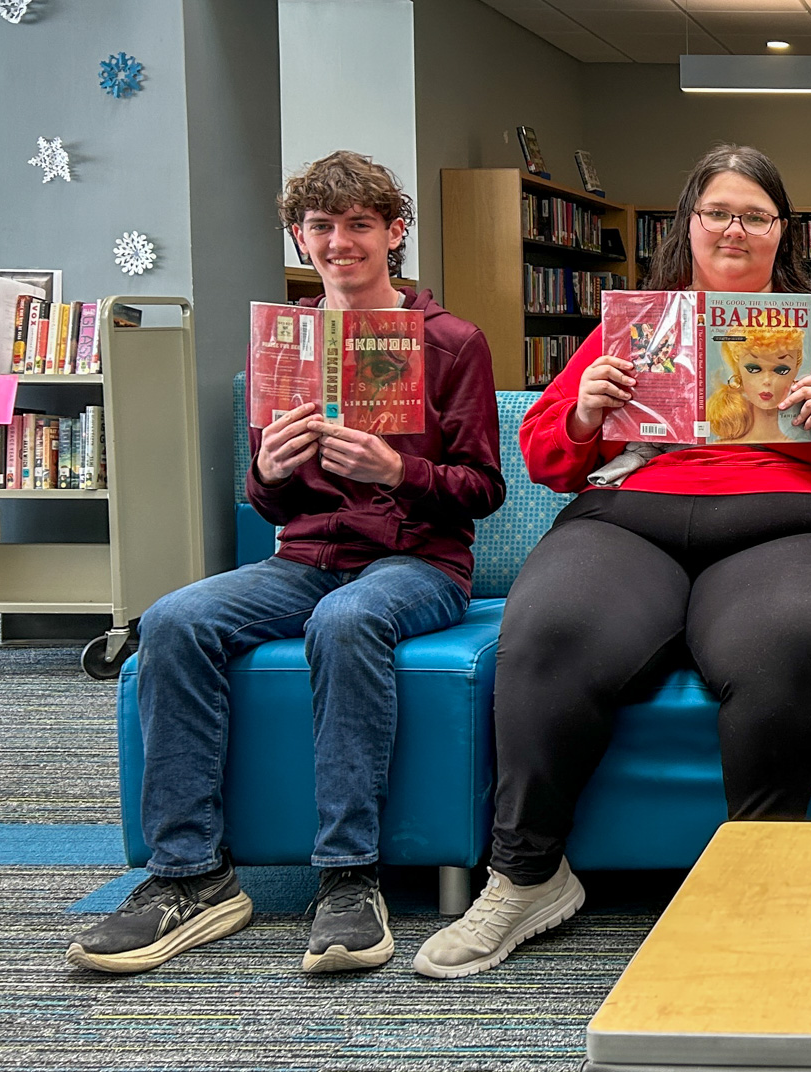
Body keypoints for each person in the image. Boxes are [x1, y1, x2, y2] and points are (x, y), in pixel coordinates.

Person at [415, 144, 811, 978]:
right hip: (632, 522)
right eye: (718, 212)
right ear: (689, 225)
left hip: (793, 527)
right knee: (549, 626)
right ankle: (526, 874)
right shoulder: (638, 325)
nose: (735, 228)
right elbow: (545, 455)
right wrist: (584, 413)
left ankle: (763, 878)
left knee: (794, 638)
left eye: (755, 215)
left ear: (781, 232)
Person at [66, 151, 505, 974]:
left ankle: (348, 874)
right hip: (305, 555)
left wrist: (396, 469)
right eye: (322, 227)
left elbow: (482, 489)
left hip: (418, 561)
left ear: (395, 232)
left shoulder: (452, 342)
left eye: (360, 225)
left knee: (348, 621)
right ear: (299, 236)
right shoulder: (288, 340)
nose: (340, 242)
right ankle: (189, 875)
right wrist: (266, 472)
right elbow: (272, 507)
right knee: (171, 619)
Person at [708, 326, 804, 442]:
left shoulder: (802, 445)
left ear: (795, 373)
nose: (767, 380)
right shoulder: (720, 447)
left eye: (781, 370)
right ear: (739, 372)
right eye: (753, 369)